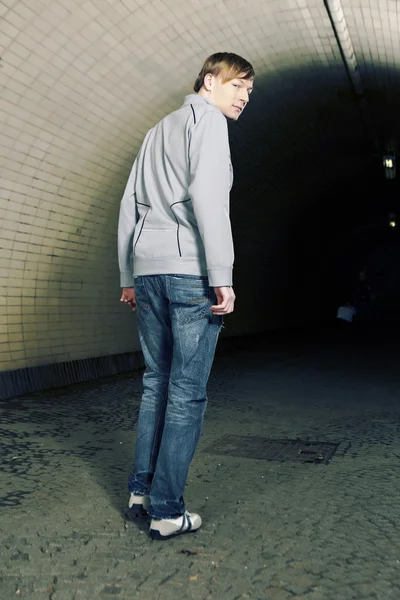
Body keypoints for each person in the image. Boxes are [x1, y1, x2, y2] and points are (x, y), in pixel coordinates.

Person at [118, 52, 254, 540]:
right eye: (238, 85)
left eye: (249, 91)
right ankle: (168, 510)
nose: (243, 97)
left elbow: (129, 203)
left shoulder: (157, 130)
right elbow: (210, 198)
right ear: (210, 80)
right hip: (189, 272)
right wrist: (222, 273)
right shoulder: (209, 124)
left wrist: (127, 276)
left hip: (148, 271)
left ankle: (140, 490)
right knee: (186, 392)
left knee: (156, 383)